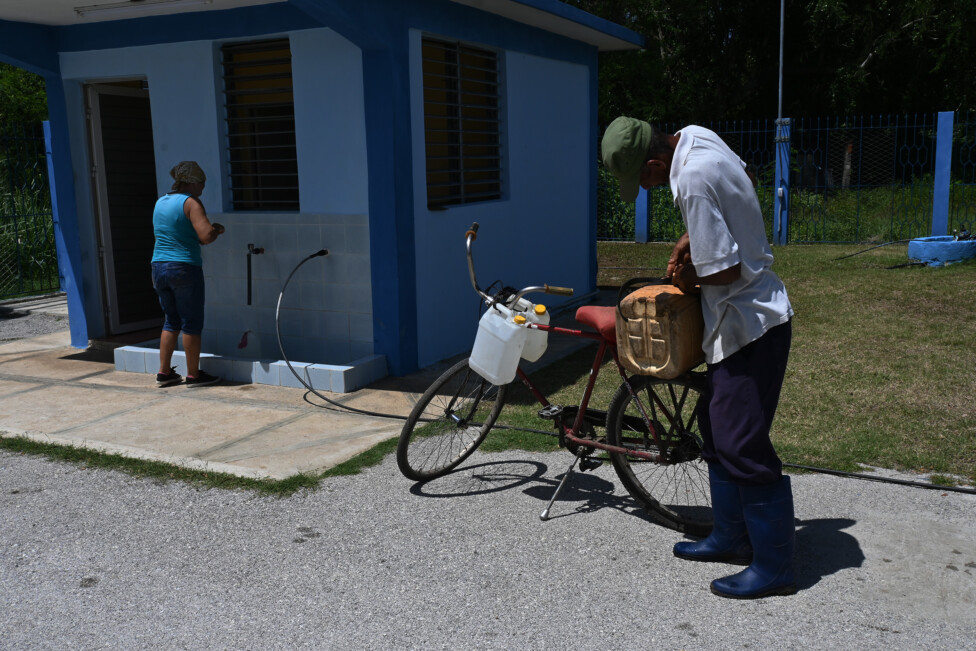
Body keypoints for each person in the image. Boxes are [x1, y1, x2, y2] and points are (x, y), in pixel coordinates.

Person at [601, 117, 796, 599]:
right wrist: (695, 236)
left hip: (749, 326)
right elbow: (745, 181)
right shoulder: (697, 136)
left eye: (643, 180)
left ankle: (775, 566)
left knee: (742, 444)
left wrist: (687, 280)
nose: (646, 189)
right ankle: (730, 536)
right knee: (714, 425)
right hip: (738, 324)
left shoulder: (689, 176)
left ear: (653, 162)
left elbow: (726, 269)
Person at [151, 161, 224, 388]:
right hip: (183, 267)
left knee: (170, 320)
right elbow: (205, 236)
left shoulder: (161, 201)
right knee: (191, 322)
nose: (203, 187)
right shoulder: (191, 202)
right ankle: (193, 375)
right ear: (192, 182)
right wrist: (217, 230)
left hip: (158, 266)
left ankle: (164, 373)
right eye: (201, 183)